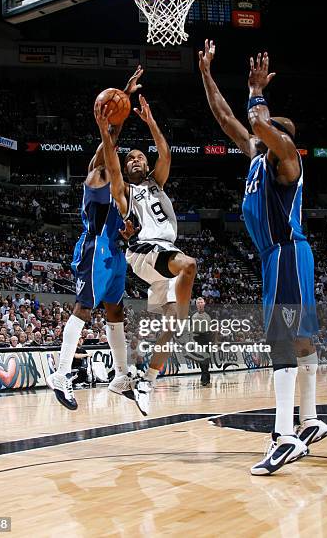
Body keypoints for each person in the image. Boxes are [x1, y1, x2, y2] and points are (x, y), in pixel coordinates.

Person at [199, 40, 327, 475]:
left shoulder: (288, 160)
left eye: (273, 129)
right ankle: (309, 421)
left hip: (286, 252)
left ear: (283, 136)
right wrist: (206, 74)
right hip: (284, 255)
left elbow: (255, 118)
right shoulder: (257, 156)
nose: (262, 132)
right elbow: (225, 118)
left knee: (280, 338)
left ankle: (284, 436)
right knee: (300, 338)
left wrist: (257, 92)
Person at [46, 67, 143, 411]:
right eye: (124, 155)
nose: (128, 159)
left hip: (115, 253)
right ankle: (60, 374)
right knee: (84, 308)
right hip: (95, 248)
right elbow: (108, 150)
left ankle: (120, 376)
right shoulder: (97, 176)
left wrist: (126, 102)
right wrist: (113, 121)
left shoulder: (124, 189)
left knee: (116, 311)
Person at [95, 94, 197, 416]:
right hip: (144, 251)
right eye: (131, 159)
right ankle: (182, 313)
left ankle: (148, 381)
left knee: (169, 328)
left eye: (140, 157)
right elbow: (110, 161)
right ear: (126, 168)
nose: (136, 160)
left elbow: (164, 153)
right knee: (189, 266)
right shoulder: (124, 191)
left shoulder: (158, 183)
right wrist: (105, 130)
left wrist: (151, 122)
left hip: (165, 252)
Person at [190, 297, 214, 386]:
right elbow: (190, 328)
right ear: (196, 305)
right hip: (196, 338)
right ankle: (205, 377)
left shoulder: (210, 314)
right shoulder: (192, 315)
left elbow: (214, 328)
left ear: (204, 303)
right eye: (198, 303)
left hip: (206, 337)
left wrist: (214, 340)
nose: (200, 304)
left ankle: (205, 378)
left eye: (201, 302)